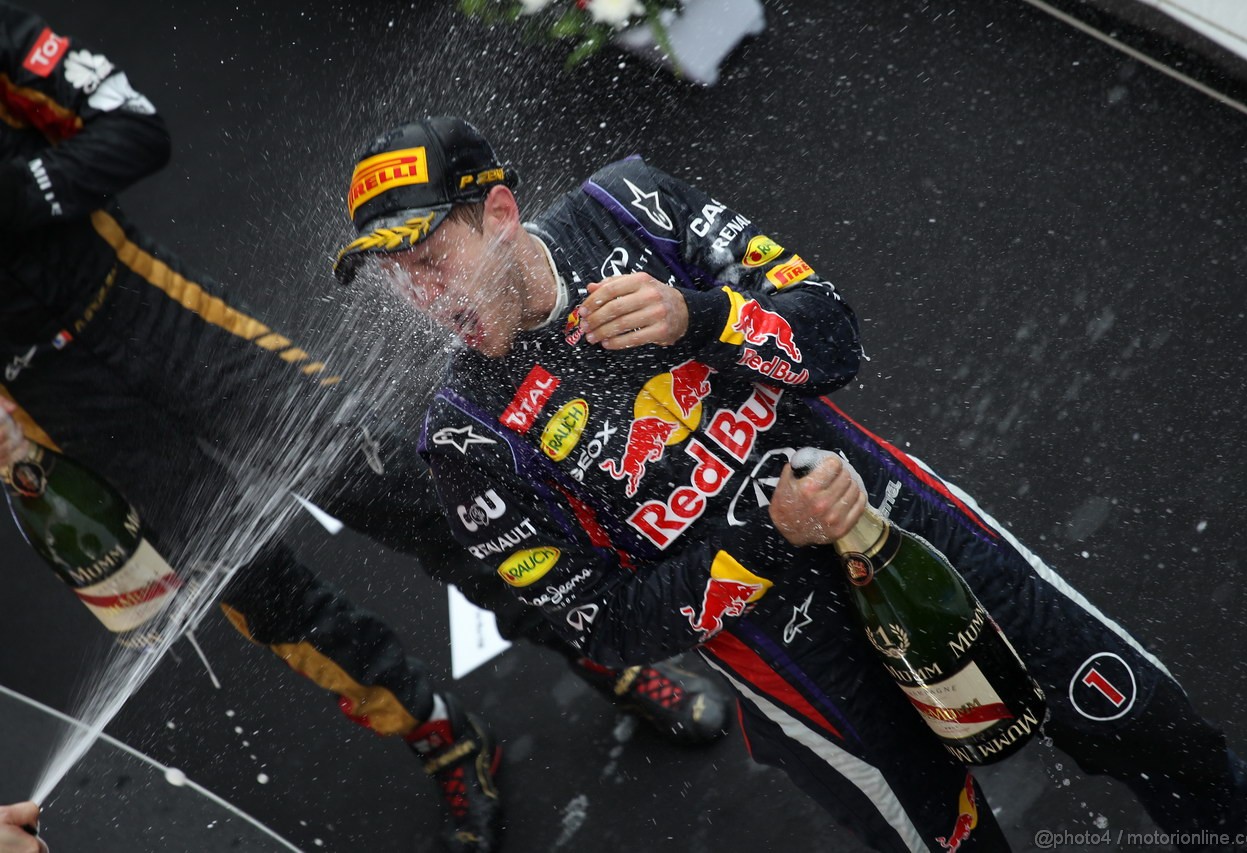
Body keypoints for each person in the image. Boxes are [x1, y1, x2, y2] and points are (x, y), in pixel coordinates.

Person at [332, 115, 1247, 852]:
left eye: (428, 259)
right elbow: (608, 629)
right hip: (791, 659)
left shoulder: (630, 208)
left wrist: (701, 316)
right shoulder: (462, 438)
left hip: (894, 518)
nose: (425, 297)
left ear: (498, 215)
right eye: (397, 277)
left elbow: (835, 334)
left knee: (1150, 724)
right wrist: (766, 535)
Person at [0, 8, 729, 853]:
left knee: (412, 492)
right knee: (260, 598)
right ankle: (440, 733)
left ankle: (597, 645)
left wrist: (15, 196)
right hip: (51, 407)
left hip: (155, 317)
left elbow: (133, 132)